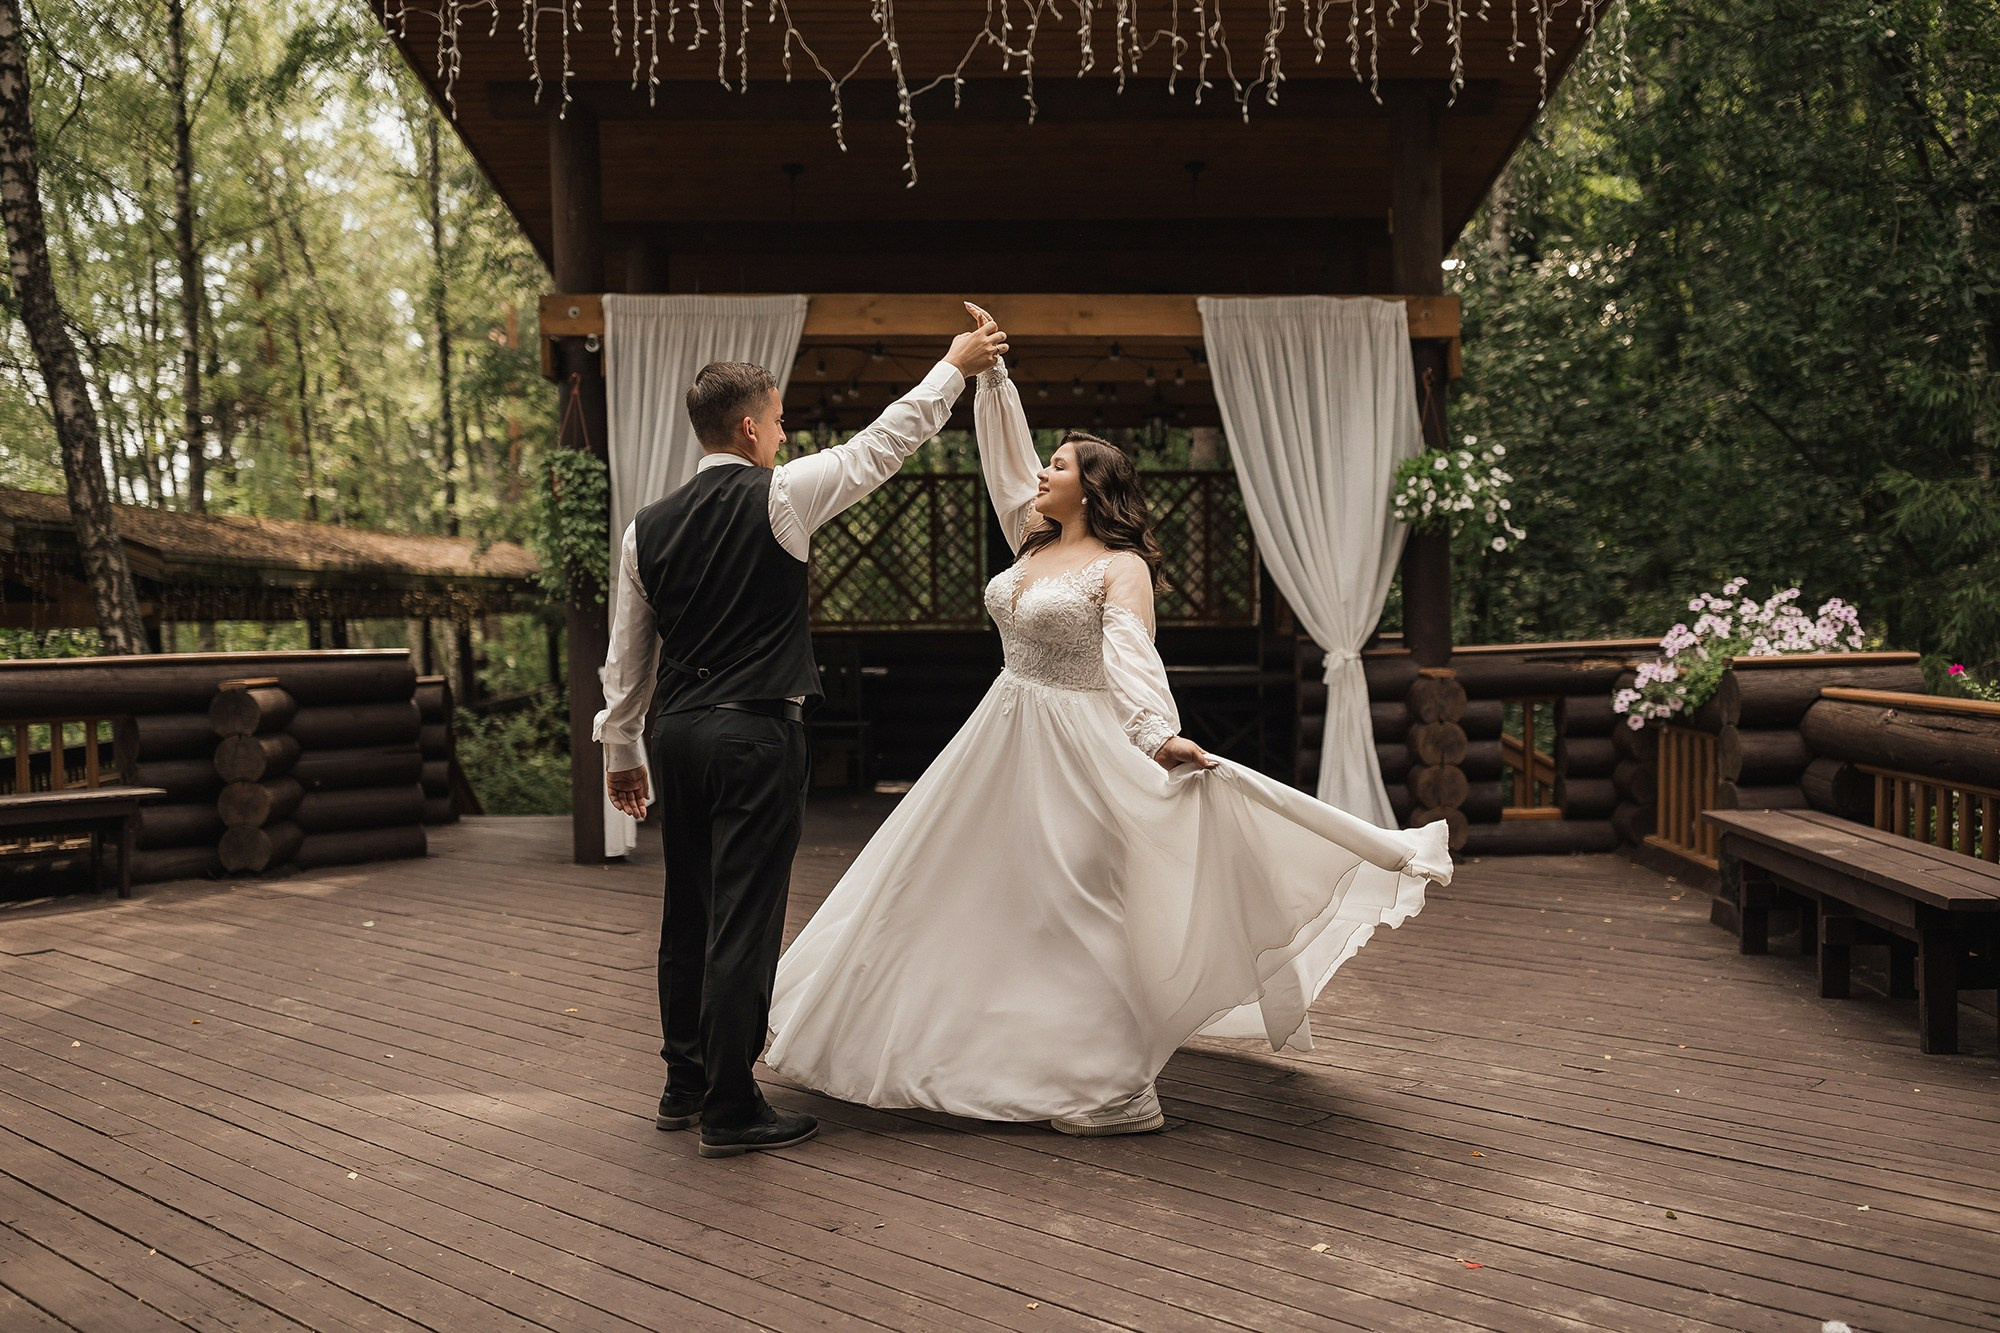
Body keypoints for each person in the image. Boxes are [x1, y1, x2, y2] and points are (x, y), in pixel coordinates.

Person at [765, 303, 1452, 1136]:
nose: (1042, 474)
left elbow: (1131, 655)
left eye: (1059, 465)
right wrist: (992, 378)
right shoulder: (1030, 537)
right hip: (1002, 734)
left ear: (1090, 486)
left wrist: (1157, 735)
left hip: (1079, 742)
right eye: (1046, 463)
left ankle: (1110, 1084)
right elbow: (1004, 457)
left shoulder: (1119, 565)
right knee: (972, 893)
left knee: (1079, 902)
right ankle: (980, 1045)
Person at [595, 316, 1008, 1159]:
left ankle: (682, 1079)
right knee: (743, 919)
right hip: (754, 736)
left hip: (676, 736)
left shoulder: (646, 528)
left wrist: (621, 747)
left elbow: (627, 655)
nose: (785, 435)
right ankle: (732, 1104)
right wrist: (953, 369)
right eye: (779, 421)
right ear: (750, 427)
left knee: (689, 910)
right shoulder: (781, 494)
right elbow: (880, 446)